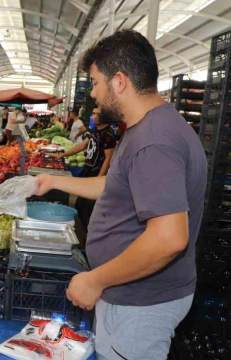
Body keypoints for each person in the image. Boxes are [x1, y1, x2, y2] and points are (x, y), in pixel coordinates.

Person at [35, 29, 206, 360]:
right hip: (131, 297)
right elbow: (115, 186)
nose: (94, 93)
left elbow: (170, 238)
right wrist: (54, 182)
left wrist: (95, 280)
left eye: (96, 82)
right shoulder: (146, 127)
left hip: (141, 304)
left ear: (119, 81)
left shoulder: (155, 141)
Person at [52, 106, 116, 229]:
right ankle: (87, 233)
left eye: (98, 114)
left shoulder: (108, 134)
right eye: (93, 113)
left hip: (96, 176)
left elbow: (109, 158)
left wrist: (99, 179)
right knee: (81, 206)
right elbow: (81, 146)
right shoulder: (94, 131)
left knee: (89, 209)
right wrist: (62, 155)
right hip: (88, 174)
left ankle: (90, 238)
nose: (95, 116)